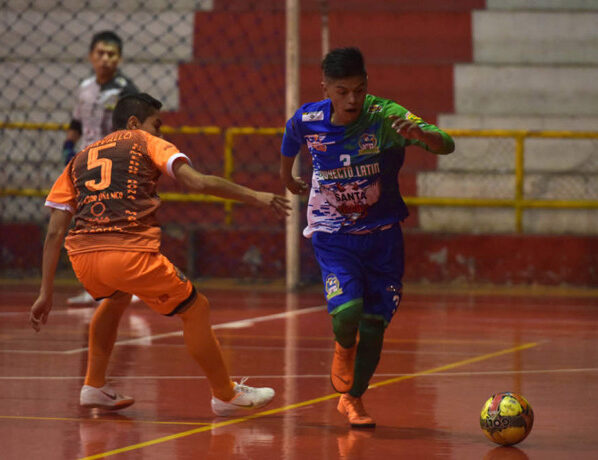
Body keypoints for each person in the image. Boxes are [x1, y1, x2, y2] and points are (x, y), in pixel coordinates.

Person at [30, 92, 290, 415]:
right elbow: (198, 183)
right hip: (128, 254)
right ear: (134, 123)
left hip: (83, 258)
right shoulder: (145, 141)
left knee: (116, 297)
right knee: (196, 308)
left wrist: (45, 292)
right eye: (157, 124)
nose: (161, 132)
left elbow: (55, 231)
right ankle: (225, 394)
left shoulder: (79, 159)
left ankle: (94, 386)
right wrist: (256, 196)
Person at [280, 47, 455, 428]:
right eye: (342, 92)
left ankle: (352, 399)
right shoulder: (310, 118)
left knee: (374, 325)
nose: (352, 100)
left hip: (383, 237)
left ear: (367, 85)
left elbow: (447, 143)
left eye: (359, 90)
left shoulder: (385, 117)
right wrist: (286, 177)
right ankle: (344, 346)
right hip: (333, 233)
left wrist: (422, 134)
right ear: (326, 88)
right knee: (347, 313)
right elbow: (291, 135)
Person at [62, 30, 139, 305]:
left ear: (119, 59)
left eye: (111, 54)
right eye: (101, 53)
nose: (105, 59)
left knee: (115, 224)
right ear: (91, 56)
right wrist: (68, 148)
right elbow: (76, 123)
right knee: (89, 224)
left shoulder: (126, 91)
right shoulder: (85, 88)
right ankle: (98, 285)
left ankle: (126, 284)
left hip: (113, 165)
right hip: (86, 165)